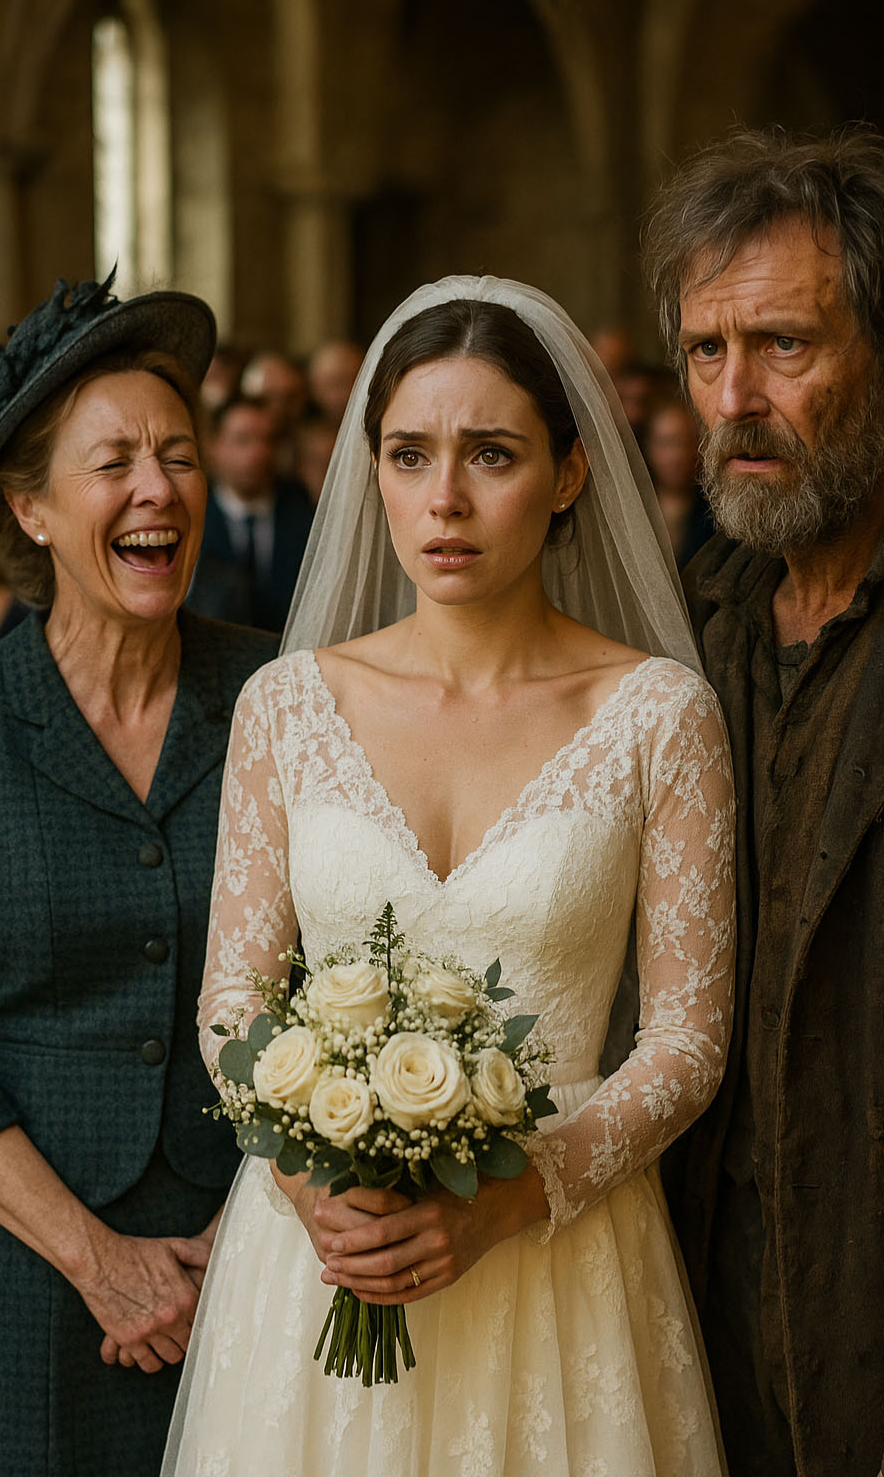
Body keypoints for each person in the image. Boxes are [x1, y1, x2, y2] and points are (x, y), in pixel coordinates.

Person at [161, 275, 736, 1476]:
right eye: (410, 455)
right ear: (369, 468)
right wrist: (307, 1181)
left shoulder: (657, 718)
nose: (446, 501)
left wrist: (513, 1195)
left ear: (570, 474)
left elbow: (686, 1042)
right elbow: (231, 1003)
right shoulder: (286, 705)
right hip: (320, 1271)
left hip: (558, 1265)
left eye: (491, 454)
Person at [643, 126, 884, 1476]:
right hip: (718, 1336)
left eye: (786, 347)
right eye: (705, 354)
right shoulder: (702, 622)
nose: (735, 398)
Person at [0, 274, 276, 1477]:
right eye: (114, 463)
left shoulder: (282, 694)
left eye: (178, 454)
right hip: (30, 1282)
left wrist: (248, 1233)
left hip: (258, 1269)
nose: (158, 488)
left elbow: (349, 970)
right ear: (31, 509)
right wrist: (97, 1260)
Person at [187, 393, 314, 631]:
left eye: (267, 440)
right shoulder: (191, 517)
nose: (259, 453)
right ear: (213, 447)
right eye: (243, 440)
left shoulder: (305, 518)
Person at [644, 394, 715, 570]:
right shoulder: (635, 507)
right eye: (666, 443)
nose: (676, 456)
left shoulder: (716, 515)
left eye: (684, 443)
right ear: (649, 447)